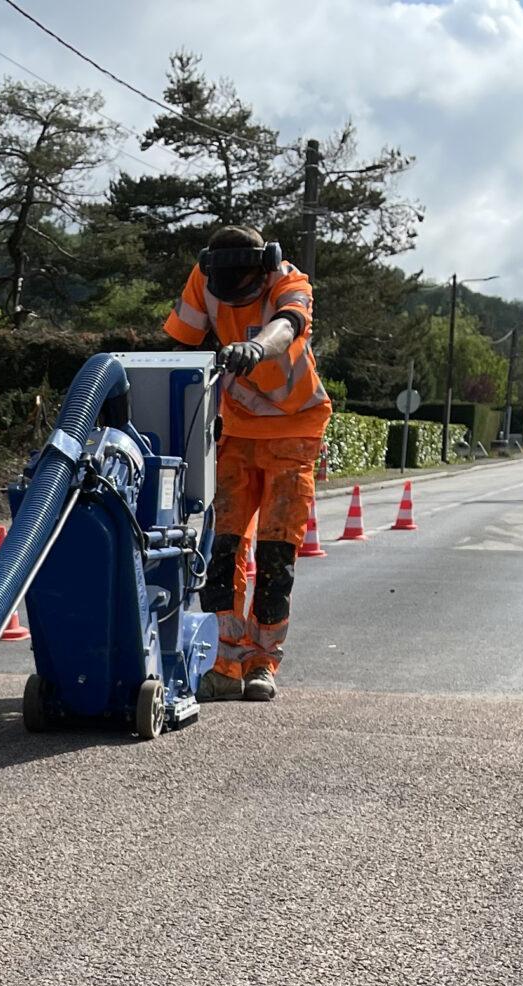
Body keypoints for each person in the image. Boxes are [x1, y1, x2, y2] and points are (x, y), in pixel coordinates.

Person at [162, 224, 331, 702]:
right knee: (223, 549)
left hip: (295, 429)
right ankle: (223, 662)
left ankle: (262, 663)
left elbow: (287, 326)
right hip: (234, 430)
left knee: (277, 554)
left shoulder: (290, 281)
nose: (235, 303)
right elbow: (181, 345)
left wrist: (255, 348)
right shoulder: (205, 277)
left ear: (265, 266)